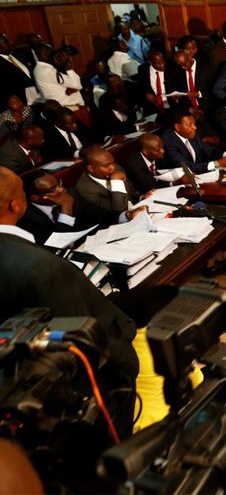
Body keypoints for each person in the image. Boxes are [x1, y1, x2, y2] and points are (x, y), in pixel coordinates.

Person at [0, 166, 139, 433]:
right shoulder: (41, 266)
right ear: (16, 205)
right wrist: (126, 364)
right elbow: (84, 338)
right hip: (81, 399)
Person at [73, 145, 149, 228]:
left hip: (138, 213)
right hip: (117, 226)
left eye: (112, 162)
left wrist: (141, 197)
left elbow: (131, 189)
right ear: (91, 168)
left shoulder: (117, 168)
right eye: (107, 165)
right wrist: (116, 182)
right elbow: (118, 210)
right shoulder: (85, 189)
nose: (113, 167)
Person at [17, 171, 83, 245]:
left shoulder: (71, 194)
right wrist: (66, 207)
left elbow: (92, 217)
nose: (62, 189)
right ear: (36, 198)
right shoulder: (25, 219)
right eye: (53, 189)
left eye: (59, 184)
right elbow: (57, 243)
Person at [162, 110, 226, 174]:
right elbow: (187, 167)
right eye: (189, 125)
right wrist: (217, 163)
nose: (194, 127)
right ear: (178, 127)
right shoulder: (169, 142)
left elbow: (208, 150)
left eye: (194, 124)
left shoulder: (191, 134)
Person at [0, 33, 36, 106]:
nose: (11, 43)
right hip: (20, 103)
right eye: (6, 42)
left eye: (9, 40)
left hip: (36, 96)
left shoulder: (19, 56)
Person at [135, 49, 171, 114]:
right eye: (158, 63)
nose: (162, 65)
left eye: (163, 61)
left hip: (170, 104)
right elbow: (141, 86)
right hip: (153, 107)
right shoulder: (143, 69)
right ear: (150, 62)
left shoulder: (171, 68)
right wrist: (146, 93)